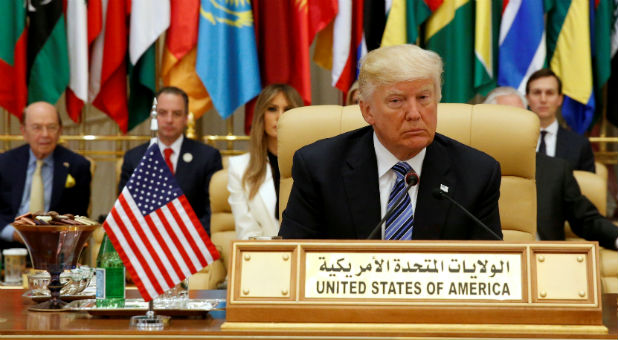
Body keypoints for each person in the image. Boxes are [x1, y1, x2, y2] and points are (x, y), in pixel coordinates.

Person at [279, 44, 502, 240]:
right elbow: (293, 261)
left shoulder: (477, 174)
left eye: (424, 98)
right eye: (397, 101)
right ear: (368, 111)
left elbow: (493, 269)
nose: (414, 113)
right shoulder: (319, 168)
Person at [484, 87, 618, 250]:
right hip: (484, 262)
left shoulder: (555, 170)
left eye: (520, 120)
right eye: (507, 119)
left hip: (542, 260)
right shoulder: (468, 168)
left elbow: (586, 220)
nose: (514, 127)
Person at [119, 87, 222, 234]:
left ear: (186, 118)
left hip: (191, 243)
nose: (169, 120)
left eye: (177, 114)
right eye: (162, 113)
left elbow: (211, 212)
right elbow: (125, 211)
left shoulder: (208, 157)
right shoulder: (134, 158)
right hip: (145, 242)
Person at [0, 102, 91, 249]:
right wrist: (14, 233)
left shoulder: (77, 165)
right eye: (37, 127)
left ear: (60, 130)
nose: (45, 134)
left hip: (56, 247)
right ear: (24, 131)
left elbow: (79, 215)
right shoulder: (4, 163)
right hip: (9, 246)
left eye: (51, 127)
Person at [227, 84, 303, 240]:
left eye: (288, 110)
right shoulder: (239, 168)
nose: (280, 116)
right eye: (272, 109)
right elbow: (246, 234)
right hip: (263, 259)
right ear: (261, 115)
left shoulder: (314, 163)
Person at [525, 69, 595, 172]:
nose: (543, 99)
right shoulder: (515, 142)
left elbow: (587, 186)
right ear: (527, 98)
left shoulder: (580, 145)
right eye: (537, 92)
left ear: (560, 99)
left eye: (549, 93)